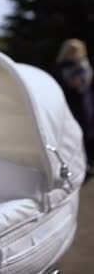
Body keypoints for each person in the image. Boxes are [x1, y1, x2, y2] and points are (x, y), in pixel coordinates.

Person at [55, 38, 94, 180]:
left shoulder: (83, 63)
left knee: (87, 134)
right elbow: (73, 83)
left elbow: (87, 81)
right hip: (72, 104)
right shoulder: (64, 66)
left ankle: (86, 164)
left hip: (85, 103)